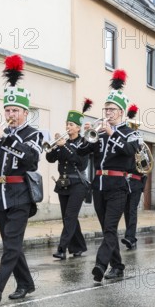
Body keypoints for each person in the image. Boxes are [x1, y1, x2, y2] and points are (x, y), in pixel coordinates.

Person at [0, 55, 43, 304]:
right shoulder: (0, 135)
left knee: (12, 244)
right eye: (7, 110)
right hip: (0, 194)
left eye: (15, 110)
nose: (10, 114)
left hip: (21, 195)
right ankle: (26, 283)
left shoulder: (33, 134)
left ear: (25, 112)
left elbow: (31, 159)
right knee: (11, 244)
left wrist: (5, 138)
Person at [77, 69, 140, 283]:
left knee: (111, 227)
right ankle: (118, 265)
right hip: (99, 185)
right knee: (106, 229)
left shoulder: (131, 133)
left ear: (121, 112)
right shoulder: (100, 132)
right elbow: (81, 153)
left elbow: (129, 152)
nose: (108, 113)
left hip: (118, 186)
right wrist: (86, 137)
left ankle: (100, 265)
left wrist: (112, 135)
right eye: (106, 109)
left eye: (112, 109)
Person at [46, 99, 92, 260]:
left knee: (69, 217)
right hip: (63, 183)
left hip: (78, 184)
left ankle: (61, 249)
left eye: (71, 125)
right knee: (68, 217)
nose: (68, 127)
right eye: (67, 124)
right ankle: (78, 246)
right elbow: (50, 159)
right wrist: (53, 147)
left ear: (78, 128)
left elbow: (80, 163)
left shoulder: (84, 142)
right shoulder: (62, 143)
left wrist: (64, 146)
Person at [122, 104, 148, 250]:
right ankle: (129, 235)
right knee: (126, 210)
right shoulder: (125, 148)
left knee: (132, 209)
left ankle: (130, 237)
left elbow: (145, 166)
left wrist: (140, 154)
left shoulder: (141, 148)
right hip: (124, 181)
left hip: (136, 182)